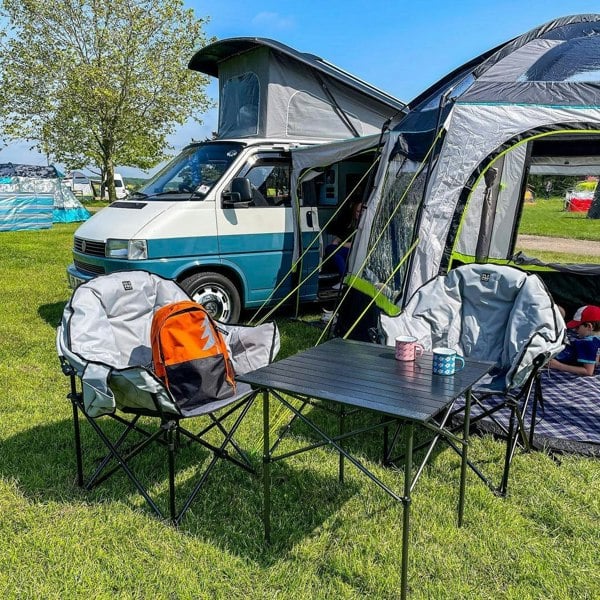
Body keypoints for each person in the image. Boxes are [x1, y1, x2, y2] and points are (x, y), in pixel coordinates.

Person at [549, 305, 600, 376]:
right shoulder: (595, 339)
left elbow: (588, 371)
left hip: (557, 355)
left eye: (577, 327)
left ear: (589, 326)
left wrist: (557, 365)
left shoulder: (588, 343)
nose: (574, 330)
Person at [324, 200, 362, 287]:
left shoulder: (364, 225)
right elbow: (341, 237)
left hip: (354, 249)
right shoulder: (352, 224)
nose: (359, 214)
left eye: (361, 212)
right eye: (357, 211)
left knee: (336, 254)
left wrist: (342, 244)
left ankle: (344, 278)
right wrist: (335, 242)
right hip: (344, 247)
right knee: (329, 248)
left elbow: (357, 243)